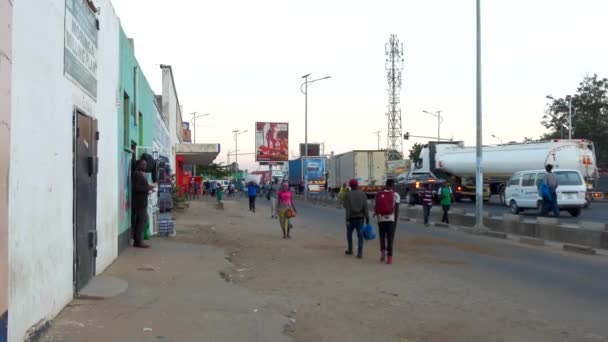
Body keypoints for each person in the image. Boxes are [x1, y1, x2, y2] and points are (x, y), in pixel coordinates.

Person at [375, 179, 400, 264]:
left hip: (381, 219)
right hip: (391, 220)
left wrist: (378, 218)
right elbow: (396, 211)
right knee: (390, 239)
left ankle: (383, 253)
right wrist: (395, 223)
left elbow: (376, 208)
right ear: (392, 185)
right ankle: (389, 259)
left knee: (382, 237)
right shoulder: (396, 195)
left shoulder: (378, 194)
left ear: (386, 184)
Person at [343, 179, 370, 259]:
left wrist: (347, 219)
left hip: (351, 219)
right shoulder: (362, 194)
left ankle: (350, 249)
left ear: (350, 186)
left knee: (349, 234)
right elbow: (365, 207)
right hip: (361, 218)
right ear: (357, 185)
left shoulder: (348, 195)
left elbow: (347, 208)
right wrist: (367, 217)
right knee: (360, 235)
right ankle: (360, 253)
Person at [132, 158, 155, 248]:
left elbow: (142, 187)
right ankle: (139, 241)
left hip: (142, 201)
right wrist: (148, 188)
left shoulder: (143, 174)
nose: (145, 166)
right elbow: (136, 188)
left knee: (140, 221)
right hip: (139, 202)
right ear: (138, 165)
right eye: (143, 164)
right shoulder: (136, 174)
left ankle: (137, 241)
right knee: (142, 221)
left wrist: (149, 189)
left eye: (145, 165)